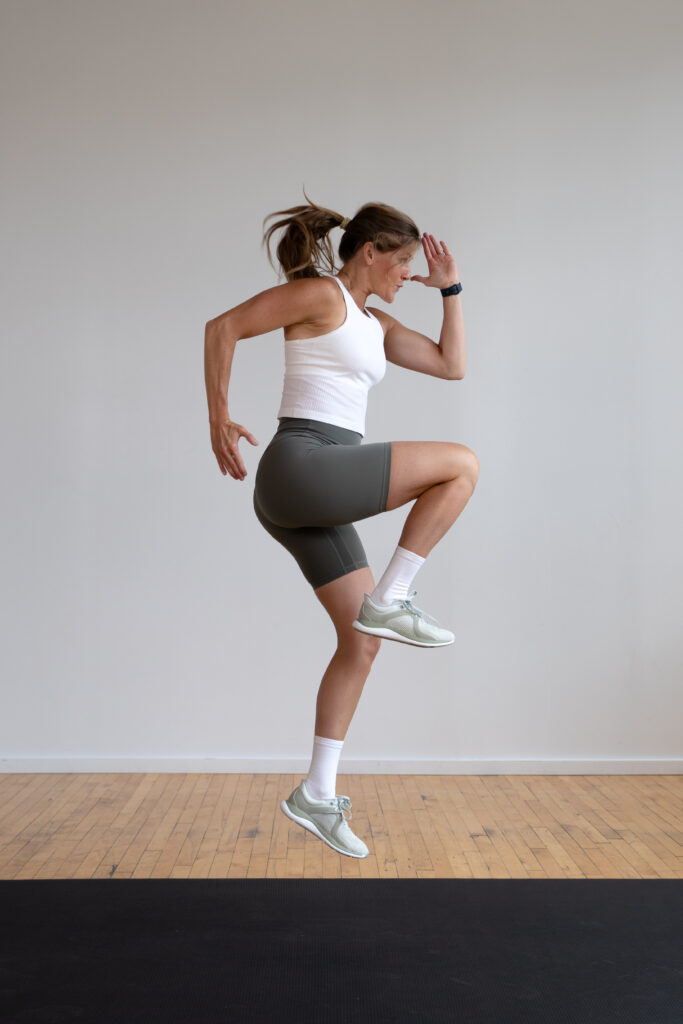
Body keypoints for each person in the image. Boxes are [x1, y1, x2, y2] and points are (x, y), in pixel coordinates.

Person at [204, 194, 479, 860]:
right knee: (460, 466)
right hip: (302, 465)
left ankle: (317, 795)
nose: (406, 276)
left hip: (304, 494)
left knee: (360, 645)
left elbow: (451, 365)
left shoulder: (374, 321)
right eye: (403, 263)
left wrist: (451, 290)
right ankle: (392, 599)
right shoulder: (320, 296)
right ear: (369, 253)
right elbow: (222, 327)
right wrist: (217, 416)